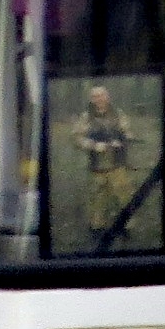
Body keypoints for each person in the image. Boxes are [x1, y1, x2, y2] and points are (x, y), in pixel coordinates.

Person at [72, 84, 135, 239]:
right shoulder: (86, 117)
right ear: (91, 99)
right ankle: (96, 227)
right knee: (97, 198)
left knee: (124, 195)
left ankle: (126, 226)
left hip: (117, 165)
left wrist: (124, 139)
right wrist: (93, 145)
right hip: (97, 166)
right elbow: (76, 138)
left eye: (101, 95)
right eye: (95, 96)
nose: (98, 99)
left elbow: (127, 132)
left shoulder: (118, 114)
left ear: (107, 97)